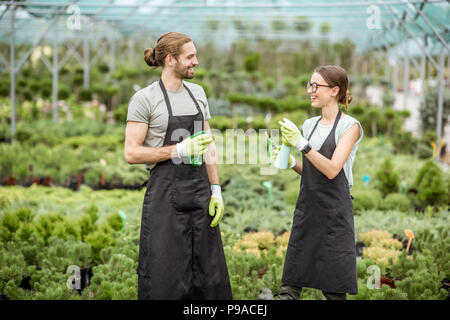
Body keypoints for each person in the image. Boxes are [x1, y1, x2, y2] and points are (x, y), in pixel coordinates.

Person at [124, 32, 232, 300]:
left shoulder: (197, 93)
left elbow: (208, 145)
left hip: (199, 196)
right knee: (166, 276)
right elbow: (131, 153)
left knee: (210, 277)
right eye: (190, 57)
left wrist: (216, 189)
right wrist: (178, 150)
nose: (196, 62)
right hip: (165, 200)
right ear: (170, 59)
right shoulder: (145, 99)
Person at [275, 65, 364, 300]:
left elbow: (333, 170)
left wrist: (302, 144)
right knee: (290, 285)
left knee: (333, 289)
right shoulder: (309, 125)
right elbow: (313, 172)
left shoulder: (350, 126)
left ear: (334, 90)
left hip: (334, 216)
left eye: (316, 86)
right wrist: (292, 162)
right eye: (309, 85)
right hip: (308, 212)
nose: (310, 90)